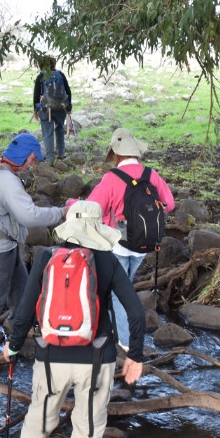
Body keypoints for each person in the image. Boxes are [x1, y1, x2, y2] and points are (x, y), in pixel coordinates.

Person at [1, 200, 145, 438]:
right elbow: (135, 311)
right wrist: (136, 356)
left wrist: (13, 346)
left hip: (51, 358)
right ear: (97, 227)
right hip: (96, 359)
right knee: (88, 426)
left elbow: (25, 309)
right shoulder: (107, 260)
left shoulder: (46, 256)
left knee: (38, 421)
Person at [0, 133, 66, 366]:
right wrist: (62, 212)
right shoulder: (7, 182)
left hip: (3, 243)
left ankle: (19, 327)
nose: (34, 163)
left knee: (21, 288)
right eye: (34, 158)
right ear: (23, 155)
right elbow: (30, 215)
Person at [87, 128, 175, 353]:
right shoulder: (151, 174)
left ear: (116, 155)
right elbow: (169, 204)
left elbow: (92, 208)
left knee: (118, 291)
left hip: (117, 245)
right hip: (143, 245)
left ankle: (125, 342)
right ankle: (119, 330)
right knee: (124, 285)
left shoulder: (111, 178)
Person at [32, 56, 73, 160]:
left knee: (47, 132)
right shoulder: (60, 75)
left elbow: (36, 94)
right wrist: (69, 106)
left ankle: (50, 158)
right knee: (59, 129)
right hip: (61, 108)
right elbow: (68, 91)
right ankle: (61, 154)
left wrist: (35, 110)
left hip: (46, 109)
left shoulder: (41, 76)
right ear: (54, 64)